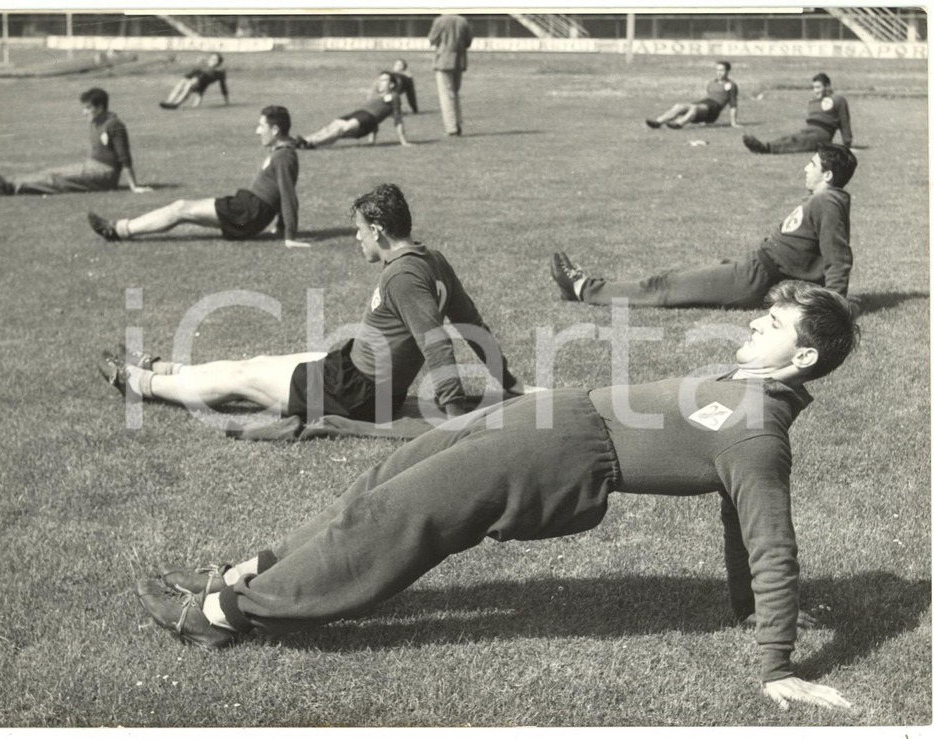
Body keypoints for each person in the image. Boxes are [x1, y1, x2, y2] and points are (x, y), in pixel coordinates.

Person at [135, 280, 859, 712]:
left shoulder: (759, 433)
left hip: (556, 454)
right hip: (547, 414)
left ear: (800, 359)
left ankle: (224, 614)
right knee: (378, 484)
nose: (755, 322)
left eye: (773, 325)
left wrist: (777, 662)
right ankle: (246, 571)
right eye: (762, 314)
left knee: (398, 519)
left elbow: (766, 537)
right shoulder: (746, 382)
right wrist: (744, 605)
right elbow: (737, 526)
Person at [97, 184, 529, 424]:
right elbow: (474, 325)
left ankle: (141, 384)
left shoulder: (402, 276)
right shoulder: (431, 259)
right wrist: (508, 383)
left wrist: (456, 424)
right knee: (261, 360)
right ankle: (163, 368)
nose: (357, 238)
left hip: (356, 393)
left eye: (359, 231)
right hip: (351, 371)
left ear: (377, 230)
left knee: (241, 378)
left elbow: (439, 346)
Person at [551, 143, 857, 309]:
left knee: (663, 287)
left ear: (827, 176)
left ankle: (581, 287)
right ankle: (585, 286)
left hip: (752, 279)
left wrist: (836, 307)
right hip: (751, 269)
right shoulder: (825, 200)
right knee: (671, 278)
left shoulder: (827, 202)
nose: (805, 167)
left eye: (813, 164)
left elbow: (838, 258)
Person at [87, 105, 307, 246]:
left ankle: (117, 230)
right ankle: (119, 229)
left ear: (275, 130)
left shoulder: (284, 157)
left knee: (180, 209)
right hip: (247, 208)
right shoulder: (281, 153)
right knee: (181, 208)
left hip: (248, 212)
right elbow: (280, 192)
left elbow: (288, 195)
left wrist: (290, 237)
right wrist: (278, 228)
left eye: (262, 126)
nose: (258, 131)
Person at [0, 88, 150, 196]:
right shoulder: (96, 121)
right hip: (92, 166)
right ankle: (7, 181)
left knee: (56, 179)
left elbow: (124, 158)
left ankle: (10, 188)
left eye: (88, 108)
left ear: (100, 108)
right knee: (51, 172)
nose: (84, 112)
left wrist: (134, 187)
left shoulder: (114, 125)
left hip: (104, 174)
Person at [294, 72, 410, 149]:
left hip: (367, 118)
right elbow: (380, 117)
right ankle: (303, 141)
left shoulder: (394, 96)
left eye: (384, 80)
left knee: (340, 129)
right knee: (330, 128)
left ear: (391, 84)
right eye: (379, 79)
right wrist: (372, 141)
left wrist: (403, 141)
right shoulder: (377, 96)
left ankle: (311, 144)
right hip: (359, 114)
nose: (380, 82)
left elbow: (397, 119)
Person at [743, 73, 852, 154]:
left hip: (822, 135)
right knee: (790, 138)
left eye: (818, 87)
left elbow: (845, 123)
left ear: (827, 86)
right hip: (808, 130)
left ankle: (766, 148)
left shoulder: (838, 100)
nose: (815, 90)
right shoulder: (813, 102)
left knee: (799, 142)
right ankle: (763, 145)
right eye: (814, 87)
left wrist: (847, 145)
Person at [645, 60, 740, 130]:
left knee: (694, 108)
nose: (719, 72)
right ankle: (658, 122)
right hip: (705, 104)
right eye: (717, 70)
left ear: (728, 71)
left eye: (722, 70)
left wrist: (733, 123)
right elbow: (709, 97)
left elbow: (733, 105)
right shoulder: (712, 83)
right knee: (679, 106)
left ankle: (679, 124)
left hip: (714, 109)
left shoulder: (731, 85)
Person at [428, 13, 472, 136]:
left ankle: (451, 127)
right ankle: (457, 123)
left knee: (446, 95)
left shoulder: (439, 21)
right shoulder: (463, 20)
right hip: (459, 60)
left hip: (443, 61)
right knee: (455, 93)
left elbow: (432, 39)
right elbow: (468, 42)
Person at [160, 52, 229, 110]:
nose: (212, 60)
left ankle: (176, 104)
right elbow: (192, 73)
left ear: (219, 62)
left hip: (200, 82)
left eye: (215, 59)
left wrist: (226, 100)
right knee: (182, 82)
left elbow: (223, 86)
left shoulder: (220, 72)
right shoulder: (203, 67)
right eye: (211, 59)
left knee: (189, 85)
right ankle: (169, 101)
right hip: (197, 79)